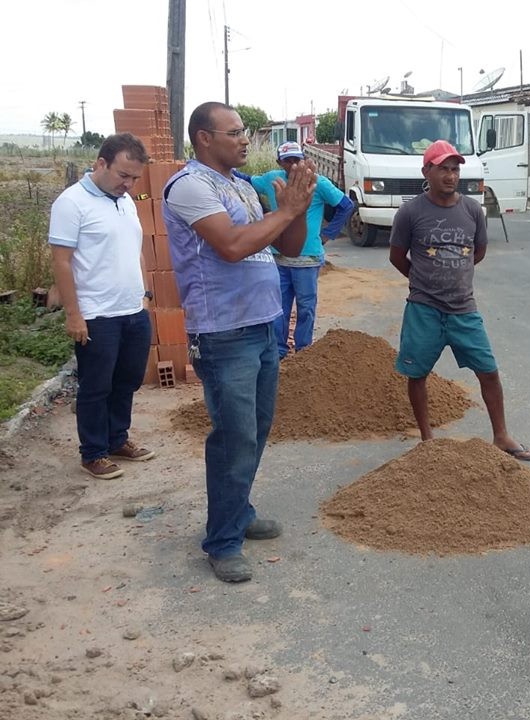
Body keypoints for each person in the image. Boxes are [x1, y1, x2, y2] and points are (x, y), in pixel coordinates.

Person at [161, 101, 316, 583]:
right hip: (223, 332)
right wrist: (285, 209)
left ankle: (239, 512)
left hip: (263, 325)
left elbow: (286, 250)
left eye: (244, 131)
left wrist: (298, 212)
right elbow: (231, 247)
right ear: (204, 138)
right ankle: (222, 541)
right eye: (234, 132)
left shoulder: (242, 187)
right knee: (233, 437)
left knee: (257, 428)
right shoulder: (191, 186)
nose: (244, 139)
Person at [389, 139, 530, 461]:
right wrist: (423, 280)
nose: (451, 176)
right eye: (443, 169)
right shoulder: (410, 212)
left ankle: (501, 436)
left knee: (489, 371)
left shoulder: (472, 210)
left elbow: (477, 253)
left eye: (455, 169)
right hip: (423, 309)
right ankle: (427, 440)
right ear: (426, 171)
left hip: (463, 310)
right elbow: (397, 256)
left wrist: (453, 273)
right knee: (418, 375)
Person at [48, 133, 155, 480]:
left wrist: (145, 295)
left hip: (133, 311)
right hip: (96, 315)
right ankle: (92, 452)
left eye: (135, 178)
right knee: (96, 386)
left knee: (128, 380)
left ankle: (116, 439)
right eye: (123, 175)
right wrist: (74, 314)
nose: (129, 183)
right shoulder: (71, 203)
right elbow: (61, 262)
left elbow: (136, 249)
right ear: (100, 164)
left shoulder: (126, 201)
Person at [250, 141, 354, 358]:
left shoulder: (317, 183)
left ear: (304, 160)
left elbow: (346, 205)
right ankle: (279, 352)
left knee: (306, 308)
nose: (293, 165)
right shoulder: (272, 179)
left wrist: (328, 234)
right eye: (288, 161)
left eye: (297, 159)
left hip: (307, 259)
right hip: (279, 257)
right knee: (279, 308)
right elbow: (247, 181)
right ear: (280, 162)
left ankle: (304, 352)